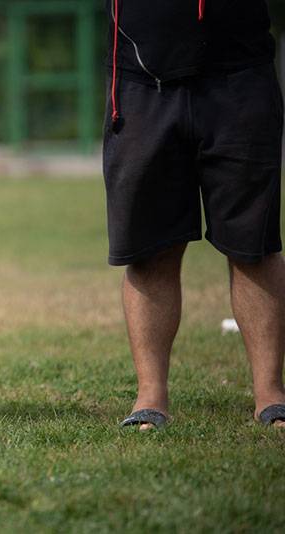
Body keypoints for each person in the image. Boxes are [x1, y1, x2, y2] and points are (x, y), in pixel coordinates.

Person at [103, 0, 285, 429]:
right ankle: (150, 396)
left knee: (253, 246)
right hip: (141, 82)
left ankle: (271, 393)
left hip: (241, 77)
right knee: (150, 250)